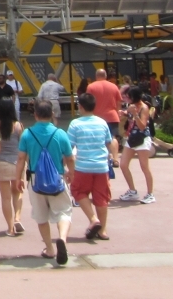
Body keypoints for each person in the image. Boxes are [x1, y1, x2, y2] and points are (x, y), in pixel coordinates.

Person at [15, 99, 75, 264]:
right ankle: (62, 238)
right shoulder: (60, 134)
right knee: (63, 211)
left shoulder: (27, 134)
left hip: (35, 180)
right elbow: (69, 158)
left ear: (35, 115)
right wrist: (72, 174)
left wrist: (18, 178)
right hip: (57, 179)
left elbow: (21, 159)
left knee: (41, 216)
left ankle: (49, 248)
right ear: (52, 114)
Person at [67, 92, 118, 241]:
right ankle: (103, 230)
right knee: (102, 198)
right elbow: (110, 142)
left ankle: (93, 219)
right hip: (101, 166)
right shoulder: (102, 122)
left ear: (80, 107)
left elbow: (69, 148)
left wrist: (66, 167)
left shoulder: (75, 124)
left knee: (78, 192)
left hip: (83, 166)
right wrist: (114, 158)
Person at [0, 97, 25, 237]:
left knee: (5, 197)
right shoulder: (18, 126)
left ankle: (10, 227)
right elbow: (24, 147)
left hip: (1, 162)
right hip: (16, 163)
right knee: (17, 192)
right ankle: (18, 218)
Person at [119, 86, 156, 205]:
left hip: (142, 139)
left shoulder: (144, 108)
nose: (127, 99)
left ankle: (150, 194)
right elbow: (127, 116)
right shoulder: (131, 106)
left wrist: (135, 114)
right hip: (131, 138)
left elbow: (142, 126)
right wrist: (124, 113)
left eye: (129, 97)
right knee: (123, 164)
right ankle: (132, 191)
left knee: (144, 167)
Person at [87, 69, 123, 150]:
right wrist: (118, 113)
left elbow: (88, 101)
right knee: (113, 137)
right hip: (112, 117)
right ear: (106, 76)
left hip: (96, 117)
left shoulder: (91, 87)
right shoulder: (114, 86)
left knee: (98, 137)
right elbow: (119, 102)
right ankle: (115, 157)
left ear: (96, 76)